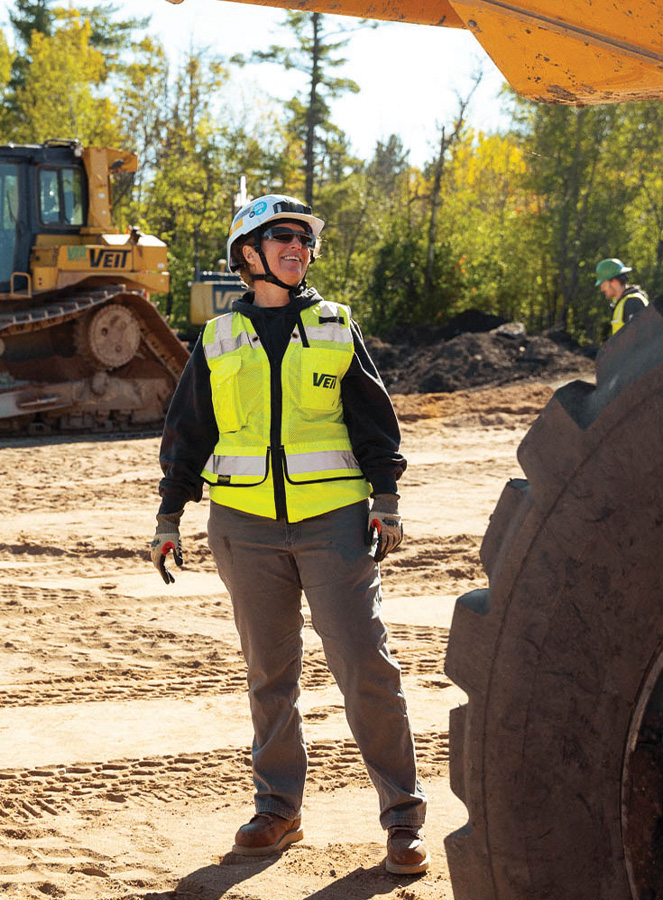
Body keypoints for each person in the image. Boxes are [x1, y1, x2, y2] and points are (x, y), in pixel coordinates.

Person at [149, 194, 429, 875]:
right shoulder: (217, 339)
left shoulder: (335, 325)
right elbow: (188, 433)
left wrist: (385, 501)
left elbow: (374, 421)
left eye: (305, 240)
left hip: (333, 521)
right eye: (283, 237)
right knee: (269, 676)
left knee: (365, 665)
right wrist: (169, 513)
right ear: (248, 254)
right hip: (243, 528)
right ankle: (278, 809)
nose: (298, 248)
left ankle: (403, 818)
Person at [594, 257, 649, 335]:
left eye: (603, 284)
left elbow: (639, 340)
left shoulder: (632, 303)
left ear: (613, 281)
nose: (602, 289)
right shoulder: (623, 303)